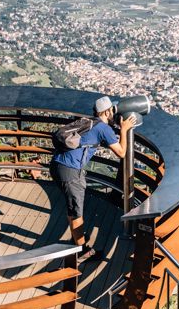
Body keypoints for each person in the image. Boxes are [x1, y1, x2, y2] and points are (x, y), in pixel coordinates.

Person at [50, 95, 134, 261]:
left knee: (72, 208)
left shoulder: (89, 122)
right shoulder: (103, 128)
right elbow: (122, 152)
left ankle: (76, 239)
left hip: (57, 165)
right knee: (76, 213)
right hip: (70, 171)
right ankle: (82, 252)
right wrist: (124, 129)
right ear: (107, 111)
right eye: (112, 110)